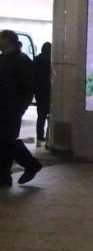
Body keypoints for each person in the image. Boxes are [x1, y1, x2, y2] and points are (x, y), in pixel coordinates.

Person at [0, 30, 42, 187]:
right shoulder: (4, 59)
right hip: (4, 108)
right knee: (5, 142)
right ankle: (5, 175)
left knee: (6, 141)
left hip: (10, 109)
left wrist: (20, 108)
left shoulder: (22, 61)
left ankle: (29, 165)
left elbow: (27, 88)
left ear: (7, 40)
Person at [34, 42, 51, 147]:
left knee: (40, 116)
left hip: (39, 92)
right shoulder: (50, 61)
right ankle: (48, 138)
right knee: (49, 115)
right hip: (48, 92)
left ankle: (39, 137)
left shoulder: (36, 60)